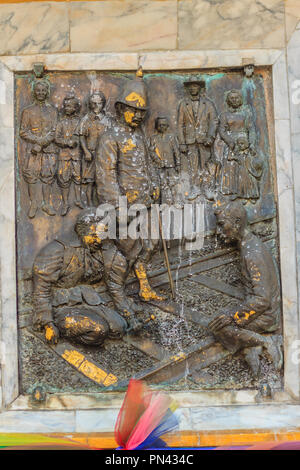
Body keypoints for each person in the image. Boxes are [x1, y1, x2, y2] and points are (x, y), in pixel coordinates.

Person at [96, 68, 164, 321]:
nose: (137, 116)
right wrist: (118, 207)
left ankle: (142, 287)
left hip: (146, 203)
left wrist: (155, 185)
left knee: (152, 244)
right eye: (132, 110)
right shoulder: (109, 137)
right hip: (125, 207)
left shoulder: (140, 134)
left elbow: (148, 164)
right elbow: (105, 177)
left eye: (141, 112)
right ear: (120, 109)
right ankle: (129, 293)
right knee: (130, 249)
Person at [32, 208, 141, 346]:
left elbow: (115, 286)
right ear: (82, 232)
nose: (99, 240)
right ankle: (63, 326)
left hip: (89, 300)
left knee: (119, 328)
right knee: (98, 330)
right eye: (94, 235)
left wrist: (130, 316)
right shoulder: (57, 250)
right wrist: (48, 323)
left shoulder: (103, 250)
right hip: (62, 305)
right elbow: (42, 288)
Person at [209, 201, 282, 378]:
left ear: (236, 222)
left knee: (221, 328)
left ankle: (265, 342)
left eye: (221, 225)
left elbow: (262, 300)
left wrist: (232, 316)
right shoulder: (248, 247)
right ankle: (251, 347)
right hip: (262, 310)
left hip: (267, 315)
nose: (219, 232)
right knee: (220, 323)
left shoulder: (252, 254)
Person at [20, 79, 58, 218]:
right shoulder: (27, 111)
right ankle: (34, 203)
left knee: (47, 176)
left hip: (48, 149)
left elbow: (55, 130)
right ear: (34, 92)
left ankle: (46, 204)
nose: (40, 93)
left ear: (47, 92)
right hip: (32, 150)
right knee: (31, 176)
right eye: (38, 90)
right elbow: (23, 131)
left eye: (43, 90)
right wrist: (37, 140)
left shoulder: (53, 111)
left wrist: (42, 142)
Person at [177, 77, 218, 200]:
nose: (193, 88)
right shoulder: (183, 104)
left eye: (195, 86)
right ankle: (195, 188)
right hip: (190, 141)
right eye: (190, 86)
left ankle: (207, 187)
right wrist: (182, 142)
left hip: (205, 141)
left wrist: (210, 137)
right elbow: (180, 124)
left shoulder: (208, 104)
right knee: (193, 166)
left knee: (206, 165)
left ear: (199, 88)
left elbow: (214, 121)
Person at [216, 89, 256, 198]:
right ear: (228, 101)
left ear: (240, 100)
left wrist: (251, 144)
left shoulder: (246, 114)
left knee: (244, 169)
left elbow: (251, 130)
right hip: (231, 144)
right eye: (231, 98)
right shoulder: (224, 115)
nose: (234, 100)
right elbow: (221, 130)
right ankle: (231, 191)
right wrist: (229, 141)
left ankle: (245, 193)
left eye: (236, 98)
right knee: (231, 167)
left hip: (244, 143)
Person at [79, 91, 110, 207]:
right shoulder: (85, 120)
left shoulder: (108, 121)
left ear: (103, 104)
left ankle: (103, 203)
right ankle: (90, 204)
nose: (96, 106)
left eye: (99, 103)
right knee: (89, 181)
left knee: (102, 179)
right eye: (93, 103)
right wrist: (86, 151)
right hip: (90, 154)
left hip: (104, 155)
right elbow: (81, 137)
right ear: (89, 104)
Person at [55, 93, 84, 215]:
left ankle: (78, 199)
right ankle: (65, 203)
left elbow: (83, 136)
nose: (67, 108)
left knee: (78, 177)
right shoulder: (61, 123)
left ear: (76, 108)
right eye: (65, 106)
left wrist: (77, 142)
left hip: (77, 155)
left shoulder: (81, 121)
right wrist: (67, 142)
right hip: (64, 155)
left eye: (70, 106)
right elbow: (56, 138)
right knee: (64, 178)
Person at [150, 117, 181, 206]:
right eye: (159, 125)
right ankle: (165, 203)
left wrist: (178, 164)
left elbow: (176, 151)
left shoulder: (171, 137)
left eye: (163, 125)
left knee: (174, 183)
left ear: (167, 126)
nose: (161, 127)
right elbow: (151, 151)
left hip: (171, 165)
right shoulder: (153, 138)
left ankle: (177, 201)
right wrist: (157, 160)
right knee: (163, 184)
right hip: (160, 165)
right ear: (156, 126)